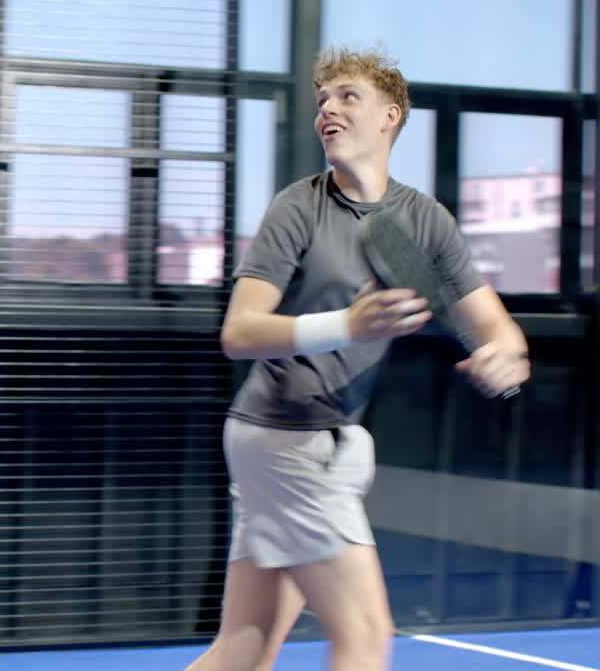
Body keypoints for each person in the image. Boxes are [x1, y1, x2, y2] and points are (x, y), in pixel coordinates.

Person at [184, 47, 531, 671]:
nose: (328, 110)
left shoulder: (426, 221)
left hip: (325, 440)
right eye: (323, 101)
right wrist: (344, 325)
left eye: (347, 96)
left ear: (390, 115)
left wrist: (507, 357)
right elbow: (239, 333)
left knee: (243, 649)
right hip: (285, 439)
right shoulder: (299, 207)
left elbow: (497, 331)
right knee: (366, 636)